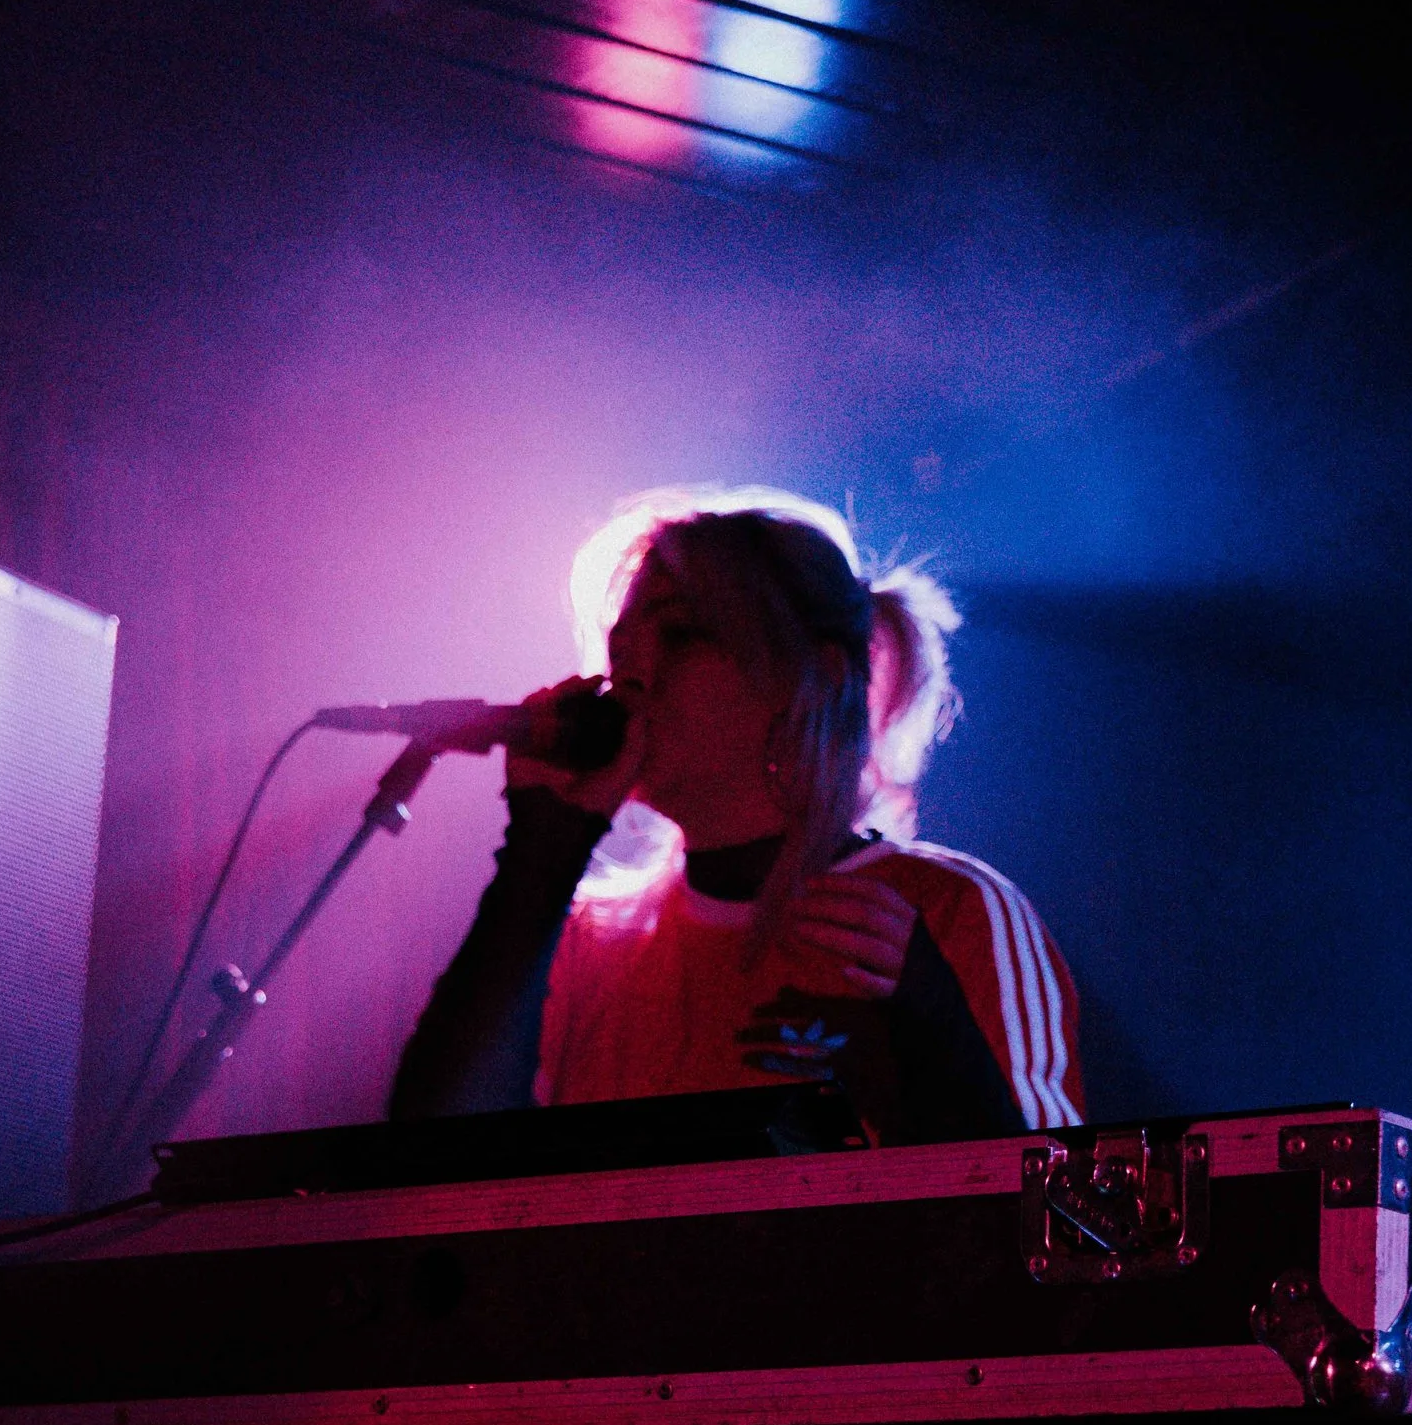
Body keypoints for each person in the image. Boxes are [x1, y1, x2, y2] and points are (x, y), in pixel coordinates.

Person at [388, 489, 1080, 1141]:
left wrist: (935, 1028)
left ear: (809, 677)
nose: (628, 671)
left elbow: (1048, 1195)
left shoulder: (949, 912)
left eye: (680, 633)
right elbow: (432, 1163)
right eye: (620, 645)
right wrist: (541, 853)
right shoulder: (582, 943)